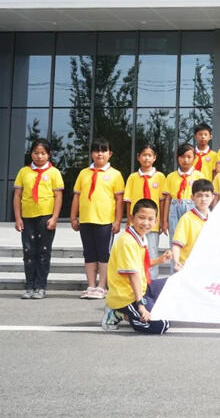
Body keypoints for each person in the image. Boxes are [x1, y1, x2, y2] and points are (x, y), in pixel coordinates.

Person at [102, 198, 172, 333]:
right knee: (161, 325)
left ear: (156, 221)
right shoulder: (127, 241)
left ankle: (145, 307)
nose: (146, 223)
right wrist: (141, 305)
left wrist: (160, 260)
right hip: (127, 296)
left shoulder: (139, 236)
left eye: (150, 219)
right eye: (141, 218)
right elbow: (133, 274)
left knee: (174, 284)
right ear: (132, 218)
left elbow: (139, 265)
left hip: (142, 287)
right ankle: (118, 313)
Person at [70, 137, 124, 299]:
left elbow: (119, 199)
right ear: (92, 153)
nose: (99, 154)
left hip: (105, 221)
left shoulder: (115, 175)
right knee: (89, 254)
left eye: (103, 150)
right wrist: (73, 217)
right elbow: (77, 196)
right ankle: (91, 285)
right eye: (96, 150)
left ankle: (102, 286)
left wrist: (117, 220)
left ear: (110, 154)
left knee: (103, 254)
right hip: (86, 220)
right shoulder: (84, 173)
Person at [13, 138, 64, 299]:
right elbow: (17, 196)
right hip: (27, 217)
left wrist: (55, 217)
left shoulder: (54, 172)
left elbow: (58, 196)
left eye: (43, 153)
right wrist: (18, 218)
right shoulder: (24, 172)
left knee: (43, 252)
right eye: (36, 153)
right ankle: (29, 286)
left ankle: (41, 286)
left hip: (46, 216)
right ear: (31, 154)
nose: (39, 156)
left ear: (49, 155)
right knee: (28, 251)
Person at [123, 144, 165, 281]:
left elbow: (162, 201)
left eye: (149, 155)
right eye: (144, 155)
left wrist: (162, 221)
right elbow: (128, 200)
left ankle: (151, 282)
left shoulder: (160, 177)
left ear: (154, 158)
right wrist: (129, 220)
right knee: (136, 252)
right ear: (138, 157)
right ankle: (138, 281)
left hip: (152, 223)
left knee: (152, 252)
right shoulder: (133, 177)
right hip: (136, 223)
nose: (146, 158)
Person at [161, 144, 202, 243]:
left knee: (192, 238)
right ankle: (175, 258)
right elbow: (167, 199)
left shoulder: (199, 175)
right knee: (175, 238)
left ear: (194, 158)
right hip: (174, 208)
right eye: (182, 157)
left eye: (189, 157)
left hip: (192, 207)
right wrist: (164, 221)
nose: (186, 160)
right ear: (177, 158)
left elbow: (202, 198)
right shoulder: (171, 176)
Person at [171, 179, 214, 272]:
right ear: (192, 197)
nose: (203, 199)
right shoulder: (186, 219)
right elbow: (177, 244)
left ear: (212, 197)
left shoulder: (215, 219)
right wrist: (176, 262)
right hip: (188, 266)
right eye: (199, 196)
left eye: (207, 196)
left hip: (208, 266)